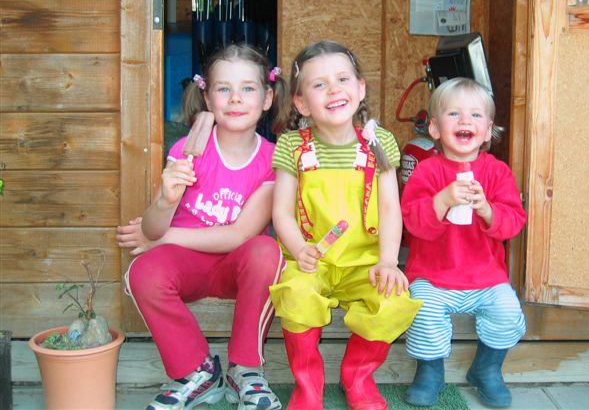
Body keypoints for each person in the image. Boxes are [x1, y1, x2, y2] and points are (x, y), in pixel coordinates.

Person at [117, 44, 286, 410]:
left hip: (236, 266)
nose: (235, 98)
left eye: (248, 88)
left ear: (267, 98)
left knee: (267, 251)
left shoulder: (273, 161)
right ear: (208, 98)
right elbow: (153, 224)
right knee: (142, 273)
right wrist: (165, 200)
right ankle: (197, 372)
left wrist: (161, 236)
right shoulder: (187, 150)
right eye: (224, 88)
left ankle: (246, 369)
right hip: (186, 264)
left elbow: (239, 234)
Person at [268, 40, 422, 410]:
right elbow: (281, 212)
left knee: (393, 300)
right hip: (311, 261)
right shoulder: (291, 146)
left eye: (342, 79)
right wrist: (299, 248)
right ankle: (308, 389)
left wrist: (388, 262)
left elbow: (390, 208)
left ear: (360, 88)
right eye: (319, 84)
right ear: (302, 103)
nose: (334, 89)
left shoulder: (379, 142)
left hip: (364, 263)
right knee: (296, 295)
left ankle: (358, 379)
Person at [400, 77, 527, 408]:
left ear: (487, 132)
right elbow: (413, 223)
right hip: (433, 274)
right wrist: (442, 200)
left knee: (507, 309)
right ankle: (430, 371)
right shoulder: (427, 172)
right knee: (422, 307)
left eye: (475, 115)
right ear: (435, 128)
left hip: (485, 276)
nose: (465, 120)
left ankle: (486, 368)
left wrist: (487, 209)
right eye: (454, 114)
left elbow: (513, 222)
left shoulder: (498, 173)